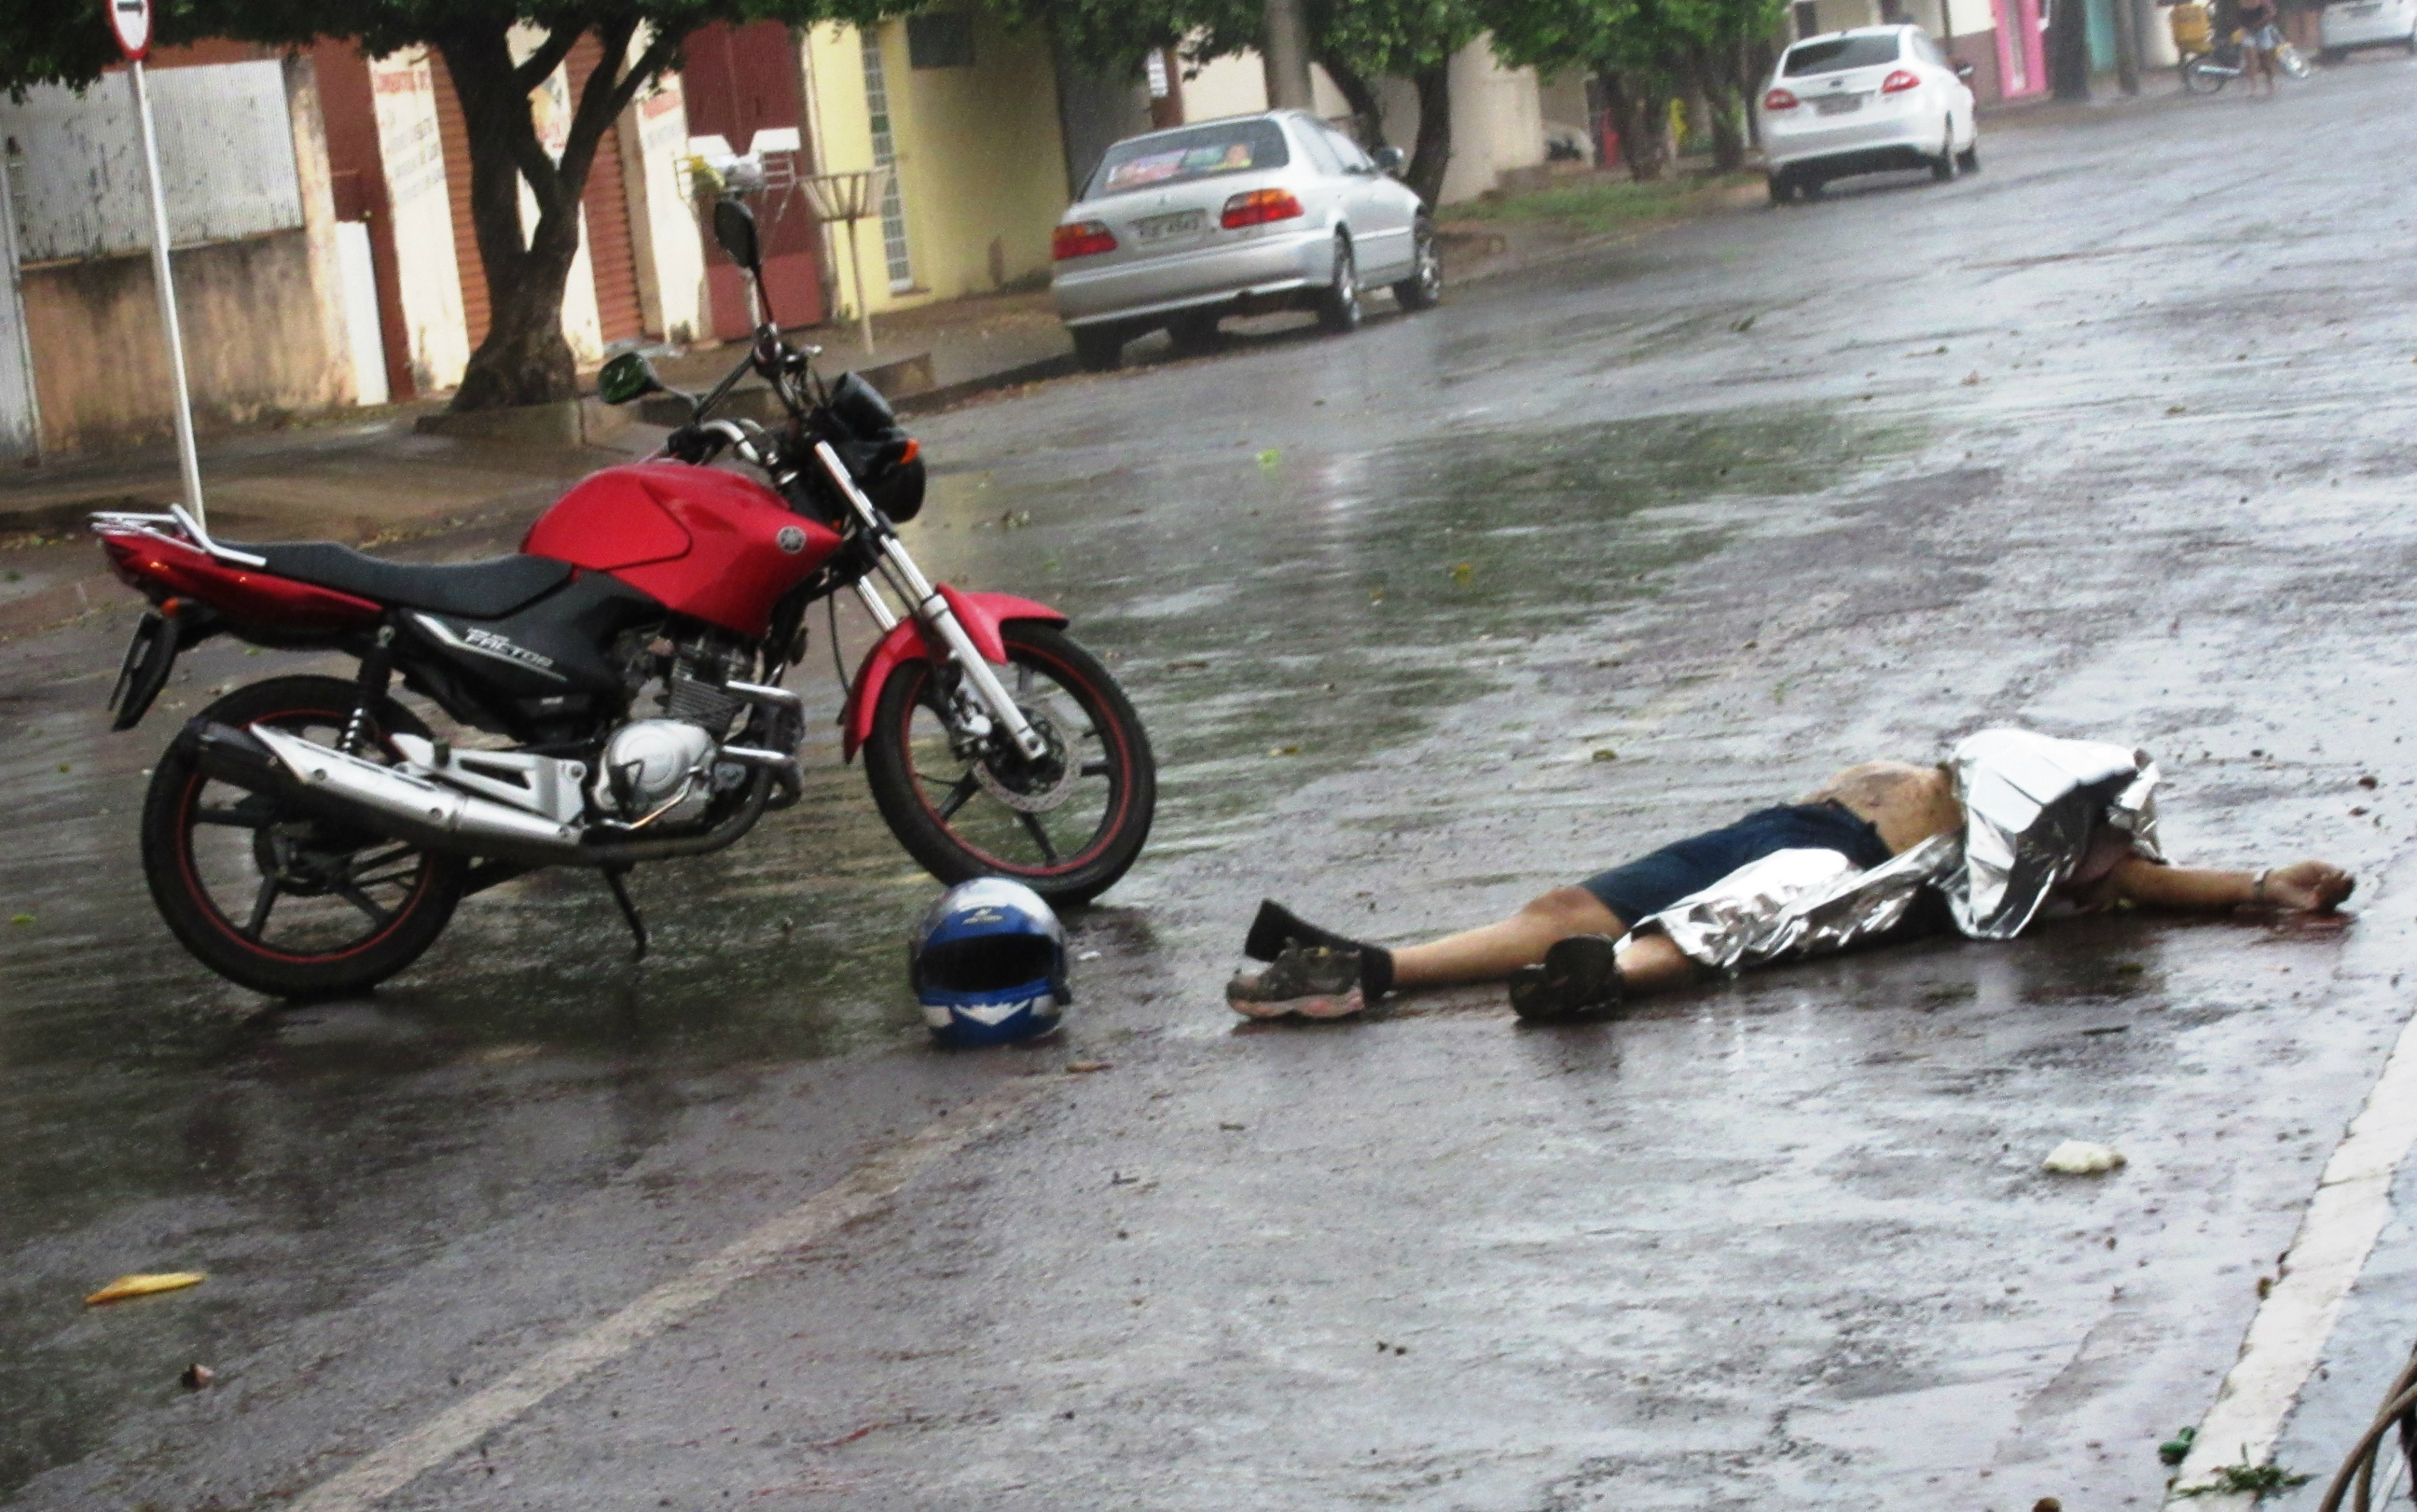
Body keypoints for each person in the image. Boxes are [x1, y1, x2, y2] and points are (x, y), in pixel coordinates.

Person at [1226, 736, 2354, 1022]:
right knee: (1567, 905)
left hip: (1861, 866)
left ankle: (1605, 982)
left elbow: (2147, 886)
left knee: (1726, 925)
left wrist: (2262, 883)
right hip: (1794, 817)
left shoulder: (2081, 850)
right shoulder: (2015, 772)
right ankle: (1374, 967)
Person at [2237, 0, 2282, 91]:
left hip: (2262, 31)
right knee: (2251, 59)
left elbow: (2272, 12)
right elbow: (2240, 15)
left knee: (2266, 60)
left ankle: (2270, 83)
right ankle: (2254, 87)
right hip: (2248, 32)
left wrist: (2263, 22)